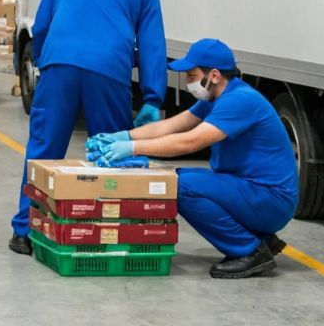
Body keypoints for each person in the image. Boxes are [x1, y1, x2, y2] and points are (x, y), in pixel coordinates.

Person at [8, 0, 166, 255]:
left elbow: (42, 23)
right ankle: (111, 231)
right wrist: (153, 97)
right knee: (110, 150)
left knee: (43, 148)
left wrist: (44, 58)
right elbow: (152, 48)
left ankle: (24, 231)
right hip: (108, 69)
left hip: (59, 63)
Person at [94, 39, 298, 279]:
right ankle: (263, 239)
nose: (188, 81)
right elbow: (173, 126)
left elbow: (190, 141)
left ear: (213, 75)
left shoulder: (239, 100)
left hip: (270, 199)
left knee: (181, 187)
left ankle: (251, 251)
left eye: (192, 74)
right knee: (179, 177)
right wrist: (122, 136)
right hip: (252, 191)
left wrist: (132, 148)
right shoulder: (214, 100)